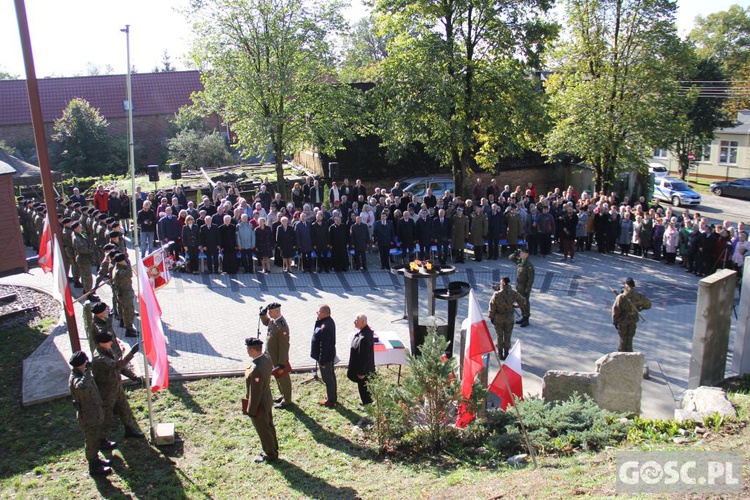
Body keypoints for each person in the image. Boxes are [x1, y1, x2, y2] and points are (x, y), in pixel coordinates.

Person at [91, 331, 144, 440]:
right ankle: (102, 439)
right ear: (101, 343)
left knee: (125, 409)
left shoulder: (108, 351)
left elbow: (120, 368)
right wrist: (131, 353)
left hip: (116, 387)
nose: (111, 343)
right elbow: (116, 366)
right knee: (107, 416)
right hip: (106, 391)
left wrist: (133, 377)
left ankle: (129, 429)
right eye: (108, 341)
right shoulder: (99, 358)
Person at [68, 351, 114, 476]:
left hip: (95, 411)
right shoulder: (76, 379)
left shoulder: (83, 373)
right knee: (91, 442)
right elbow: (82, 387)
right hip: (88, 416)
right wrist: (87, 372)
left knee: (97, 437)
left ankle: (97, 460)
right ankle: (93, 467)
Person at [243, 337, 279, 463]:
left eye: (248, 349)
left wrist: (251, 410)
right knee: (269, 425)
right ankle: (273, 448)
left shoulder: (256, 369)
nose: (247, 351)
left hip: (259, 403)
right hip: (267, 399)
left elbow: (255, 392)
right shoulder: (266, 359)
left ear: (253, 349)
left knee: (263, 429)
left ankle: (270, 453)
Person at [260, 303, 292, 408]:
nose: (269, 314)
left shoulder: (282, 326)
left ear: (277, 312)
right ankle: (282, 395)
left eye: (270, 312)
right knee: (278, 377)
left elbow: (284, 346)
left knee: (283, 379)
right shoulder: (273, 321)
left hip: (279, 358)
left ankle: (287, 400)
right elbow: (266, 322)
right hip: (272, 356)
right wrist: (263, 315)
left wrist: (282, 363)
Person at [488, 277, 526, 360]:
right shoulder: (513, 293)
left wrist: (491, 316)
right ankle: (506, 353)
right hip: (509, 318)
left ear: (503, 283)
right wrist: (515, 306)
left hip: (499, 318)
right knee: (508, 335)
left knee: (499, 336)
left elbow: (492, 306)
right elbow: (523, 301)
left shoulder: (497, 294)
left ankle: (500, 353)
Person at [611, 277, 652, 352]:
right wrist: (639, 308)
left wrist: (614, 321)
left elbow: (615, 310)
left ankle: (622, 358)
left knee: (623, 341)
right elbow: (649, 304)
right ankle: (630, 358)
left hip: (622, 321)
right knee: (629, 340)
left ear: (626, 285)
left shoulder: (621, 297)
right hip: (633, 320)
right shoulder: (638, 296)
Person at [311, 305, 338, 407]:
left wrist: (322, 362)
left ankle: (331, 400)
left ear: (325, 313)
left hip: (326, 358)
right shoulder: (328, 321)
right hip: (330, 356)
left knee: (327, 378)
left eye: (318, 312)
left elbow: (324, 346)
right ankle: (332, 396)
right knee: (331, 376)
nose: (317, 313)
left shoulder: (325, 327)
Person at [348, 314, 375, 406]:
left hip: (364, 370)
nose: (354, 322)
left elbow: (364, 357)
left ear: (363, 322)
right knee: (363, 388)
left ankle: (367, 405)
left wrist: (361, 372)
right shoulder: (365, 332)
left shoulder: (364, 338)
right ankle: (366, 402)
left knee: (364, 389)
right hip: (364, 369)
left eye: (356, 320)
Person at [112, 254, 137, 337]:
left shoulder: (119, 267)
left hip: (125, 292)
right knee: (128, 311)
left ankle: (126, 324)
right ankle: (129, 329)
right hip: (124, 293)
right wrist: (127, 264)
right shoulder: (120, 272)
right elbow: (130, 273)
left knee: (125, 310)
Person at [510, 247, 534, 327]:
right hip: (519, 287)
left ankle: (526, 319)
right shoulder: (520, 261)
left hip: (524, 288)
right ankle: (523, 316)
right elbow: (510, 258)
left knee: (525, 303)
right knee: (520, 303)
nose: (520, 254)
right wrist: (515, 253)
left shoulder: (529, 266)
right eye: (520, 253)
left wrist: (528, 289)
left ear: (526, 254)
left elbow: (530, 279)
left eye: (522, 253)